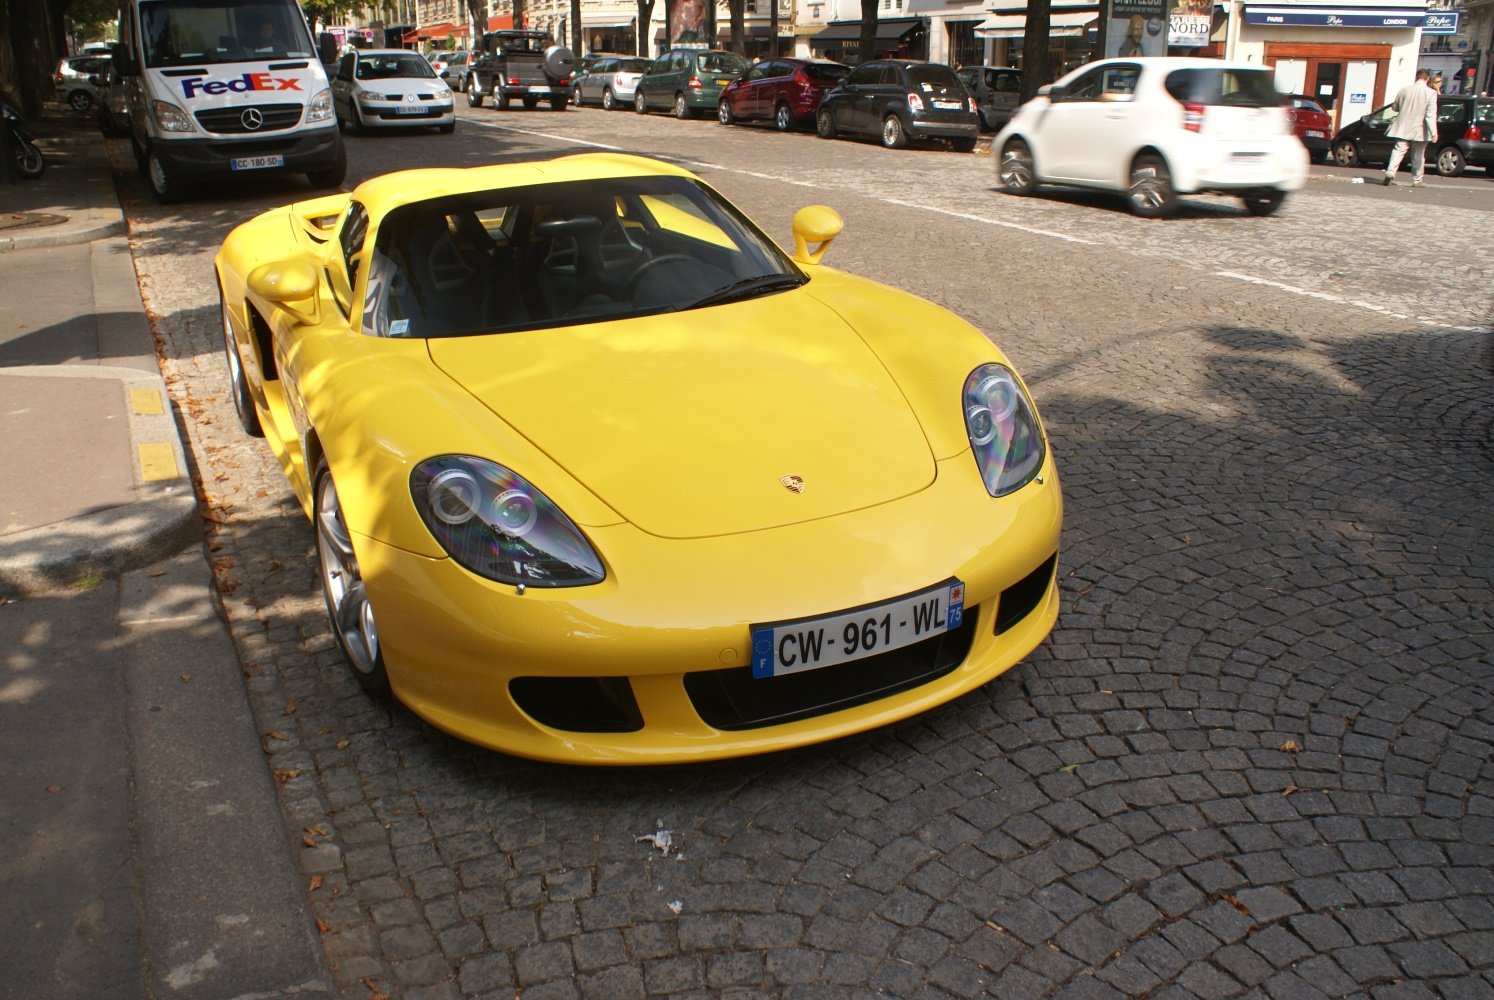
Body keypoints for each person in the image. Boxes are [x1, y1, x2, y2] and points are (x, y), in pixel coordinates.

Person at [1380, 68, 1437, 187]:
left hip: (1403, 125)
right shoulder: (1431, 93)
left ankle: (1390, 172)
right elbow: (1430, 115)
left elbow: (1395, 107)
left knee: (1399, 150)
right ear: (1427, 79)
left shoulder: (1404, 90)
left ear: (1416, 77)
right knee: (1418, 154)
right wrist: (1434, 132)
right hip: (1420, 128)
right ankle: (1417, 179)